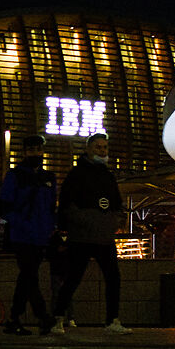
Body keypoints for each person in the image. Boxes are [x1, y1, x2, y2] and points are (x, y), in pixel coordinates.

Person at [49, 135, 127, 335]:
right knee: (74, 277)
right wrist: (83, 222)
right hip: (83, 236)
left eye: (105, 147)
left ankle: (112, 320)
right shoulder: (77, 174)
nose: (102, 151)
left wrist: (114, 221)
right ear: (89, 149)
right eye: (98, 147)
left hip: (102, 235)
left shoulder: (107, 176)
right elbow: (67, 203)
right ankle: (58, 318)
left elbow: (117, 203)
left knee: (113, 277)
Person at [0, 141, 56, 335]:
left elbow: (51, 207)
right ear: (24, 152)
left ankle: (15, 318)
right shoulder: (15, 176)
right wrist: (24, 223)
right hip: (23, 235)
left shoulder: (48, 177)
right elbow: (4, 208)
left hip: (38, 235)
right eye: (32, 149)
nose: (36, 152)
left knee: (27, 277)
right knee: (30, 276)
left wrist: (48, 228)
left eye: (38, 149)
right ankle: (43, 315)